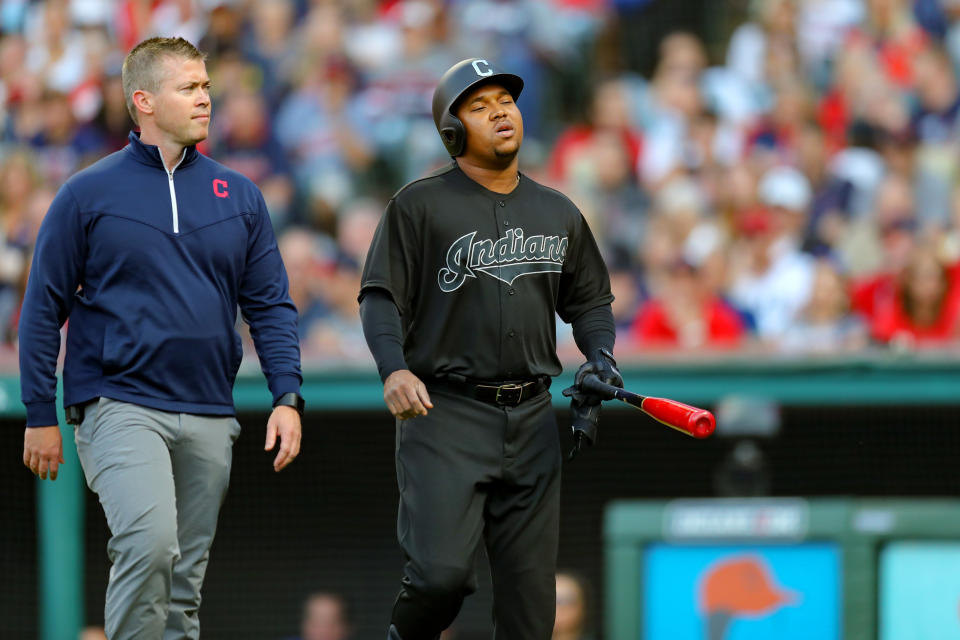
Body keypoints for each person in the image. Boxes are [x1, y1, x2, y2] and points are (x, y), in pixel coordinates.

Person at [19, 37, 304, 640]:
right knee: (149, 545)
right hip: (119, 402)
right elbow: (43, 306)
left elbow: (271, 306)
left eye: (206, 86)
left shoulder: (242, 195)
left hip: (209, 406)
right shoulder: (86, 194)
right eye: (190, 88)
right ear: (144, 101)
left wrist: (287, 397)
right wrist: (38, 411)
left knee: (183, 586)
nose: (206, 98)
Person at [359, 58, 620, 639]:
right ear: (451, 133)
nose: (500, 111)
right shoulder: (417, 205)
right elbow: (379, 298)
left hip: (532, 419)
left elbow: (591, 303)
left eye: (505, 100)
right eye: (478, 106)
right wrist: (392, 370)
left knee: (533, 612)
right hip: (445, 413)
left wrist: (600, 356)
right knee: (439, 580)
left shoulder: (557, 210)